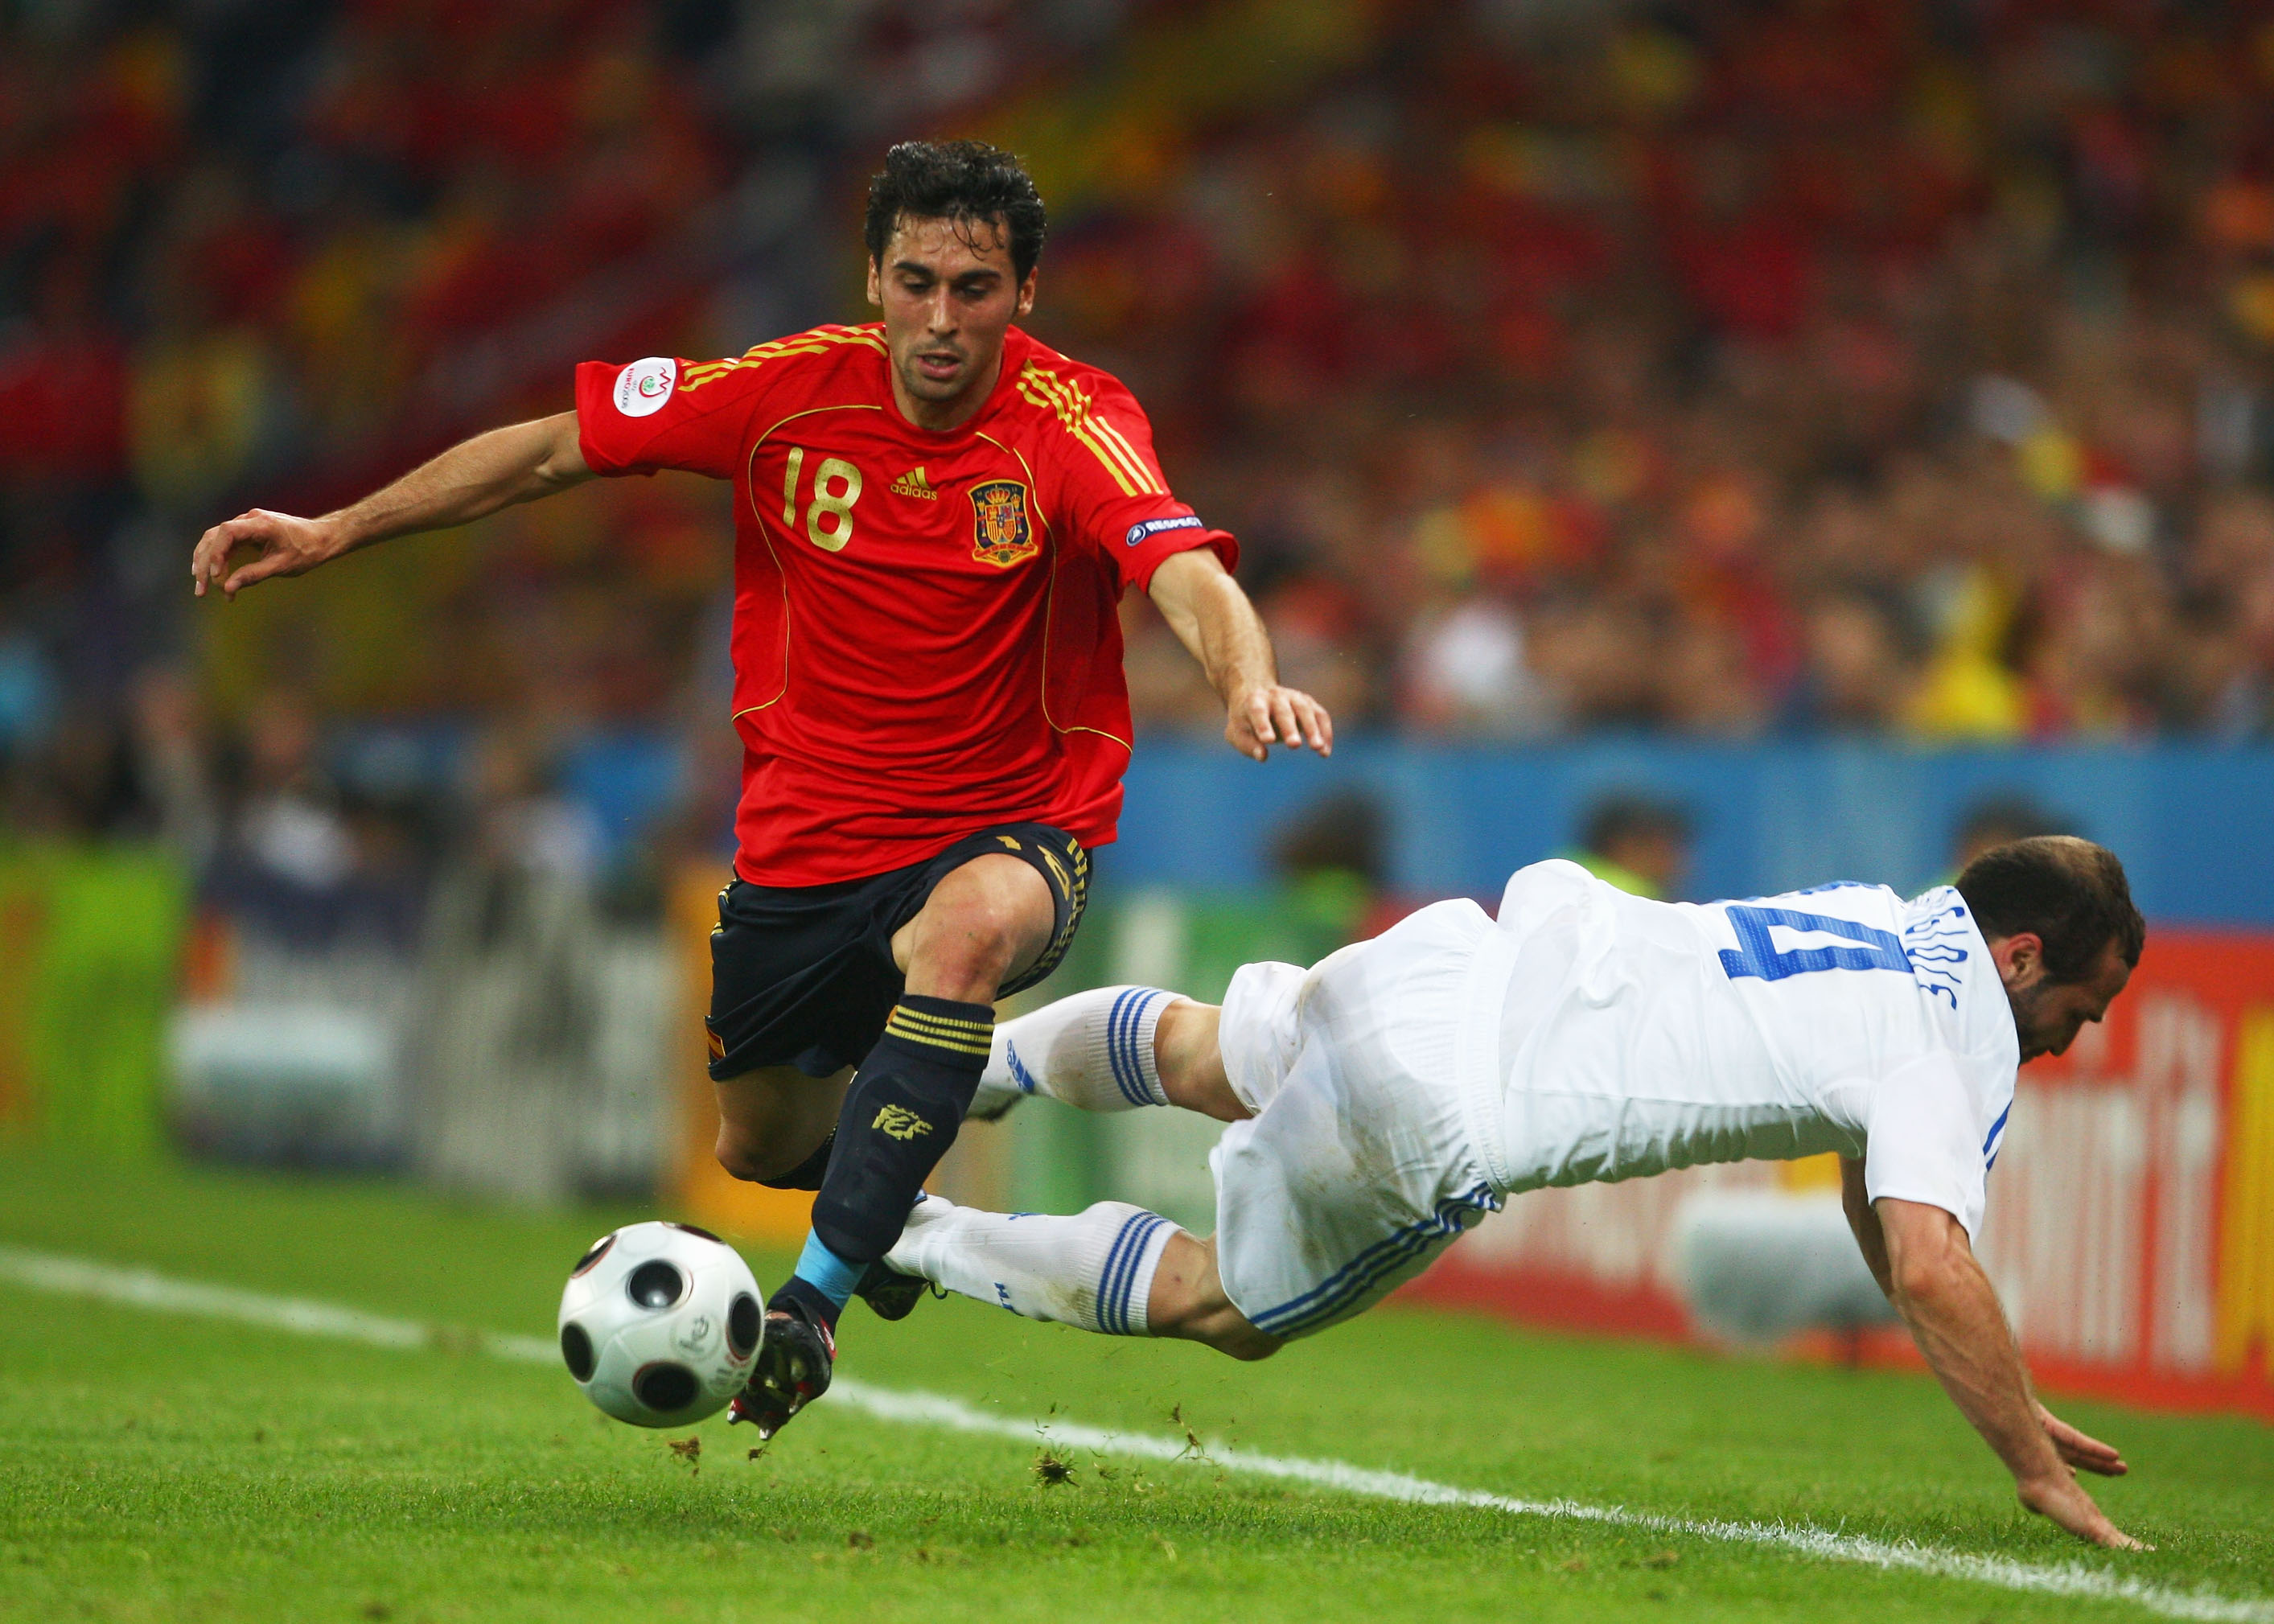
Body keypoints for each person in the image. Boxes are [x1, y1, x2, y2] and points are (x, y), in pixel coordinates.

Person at [189, 141, 1333, 1435]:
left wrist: (1246, 678)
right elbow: (554, 451)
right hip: (805, 847)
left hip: (1014, 823)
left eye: (975, 288)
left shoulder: (1072, 425)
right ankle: (930, 1162)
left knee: (962, 937)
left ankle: (816, 1304)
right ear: (873, 282)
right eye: (916, 284)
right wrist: (339, 527)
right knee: (765, 1147)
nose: (942, 320)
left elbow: (1179, 566)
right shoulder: (783, 395)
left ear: (1025, 295)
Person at [890, 835, 2150, 1549]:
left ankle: (953, 1064)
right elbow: (1931, 1261)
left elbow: (1880, 1191)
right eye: (2076, 1011)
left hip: (1464, 957)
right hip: (1454, 1110)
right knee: (1228, 1307)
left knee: (1213, 1050)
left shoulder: (1901, 915)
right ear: (2018, 959)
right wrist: (2033, 1467)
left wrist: (2009, 1391)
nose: (2068, 1042)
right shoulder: (1961, 1035)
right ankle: (916, 1233)